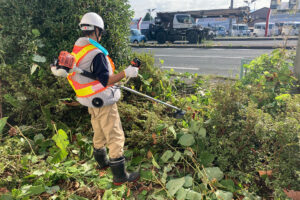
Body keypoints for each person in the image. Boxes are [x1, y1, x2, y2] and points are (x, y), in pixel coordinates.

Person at [52, 12, 140, 185]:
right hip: (102, 98)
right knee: (114, 134)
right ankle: (120, 176)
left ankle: (102, 162)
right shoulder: (96, 53)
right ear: (97, 30)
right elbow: (106, 80)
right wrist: (126, 72)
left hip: (89, 99)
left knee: (99, 129)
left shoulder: (78, 49)